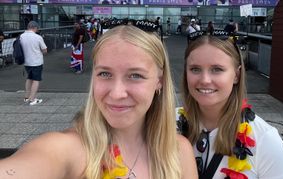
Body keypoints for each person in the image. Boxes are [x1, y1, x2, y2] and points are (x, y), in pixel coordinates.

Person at [0, 24, 198, 179]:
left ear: (159, 82)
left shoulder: (179, 151)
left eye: (135, 75)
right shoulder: (71, 149)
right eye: (105, 73)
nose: (117, 93)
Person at [176, 35, 283, 179]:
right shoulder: (167, 122)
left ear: (236, 75)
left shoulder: (264, 138)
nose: (205, 80)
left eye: (217, 69)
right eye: (195, 69)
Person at [20, 21, 47, 106]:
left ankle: (27, 97)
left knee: (29, 78)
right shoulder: (37, 37)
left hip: (26, 62)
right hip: (36, 62)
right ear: (35, 28)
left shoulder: (21, 36)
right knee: (36, 80)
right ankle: (32, 99)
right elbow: (44, 50)